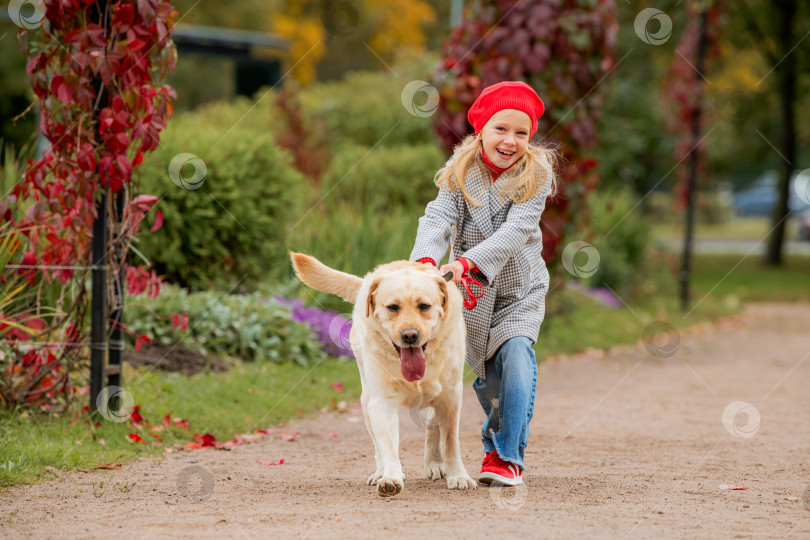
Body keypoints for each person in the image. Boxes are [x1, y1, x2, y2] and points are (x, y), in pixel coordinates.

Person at [409, 81, 557, 486]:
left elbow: (514, 232)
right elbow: (437, 218)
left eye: (521, 133)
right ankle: (494, 439)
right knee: (489, 381)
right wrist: (425, 261)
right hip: (473, 299)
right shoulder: (461, 173)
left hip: (517, 293)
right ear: (481, 131)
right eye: (501, 129)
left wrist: (465, 262)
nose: (511, 141)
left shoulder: (536, 176)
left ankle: (506, 457)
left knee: (516, 359)